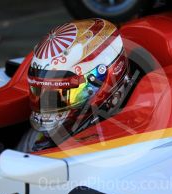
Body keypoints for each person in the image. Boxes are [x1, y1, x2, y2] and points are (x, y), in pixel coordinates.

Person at [17, 18, 132, 152]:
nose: (48, 108)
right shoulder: (37, 137)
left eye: (61, 95)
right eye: (39, 92)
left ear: (102, 78)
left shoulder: (129, 136)